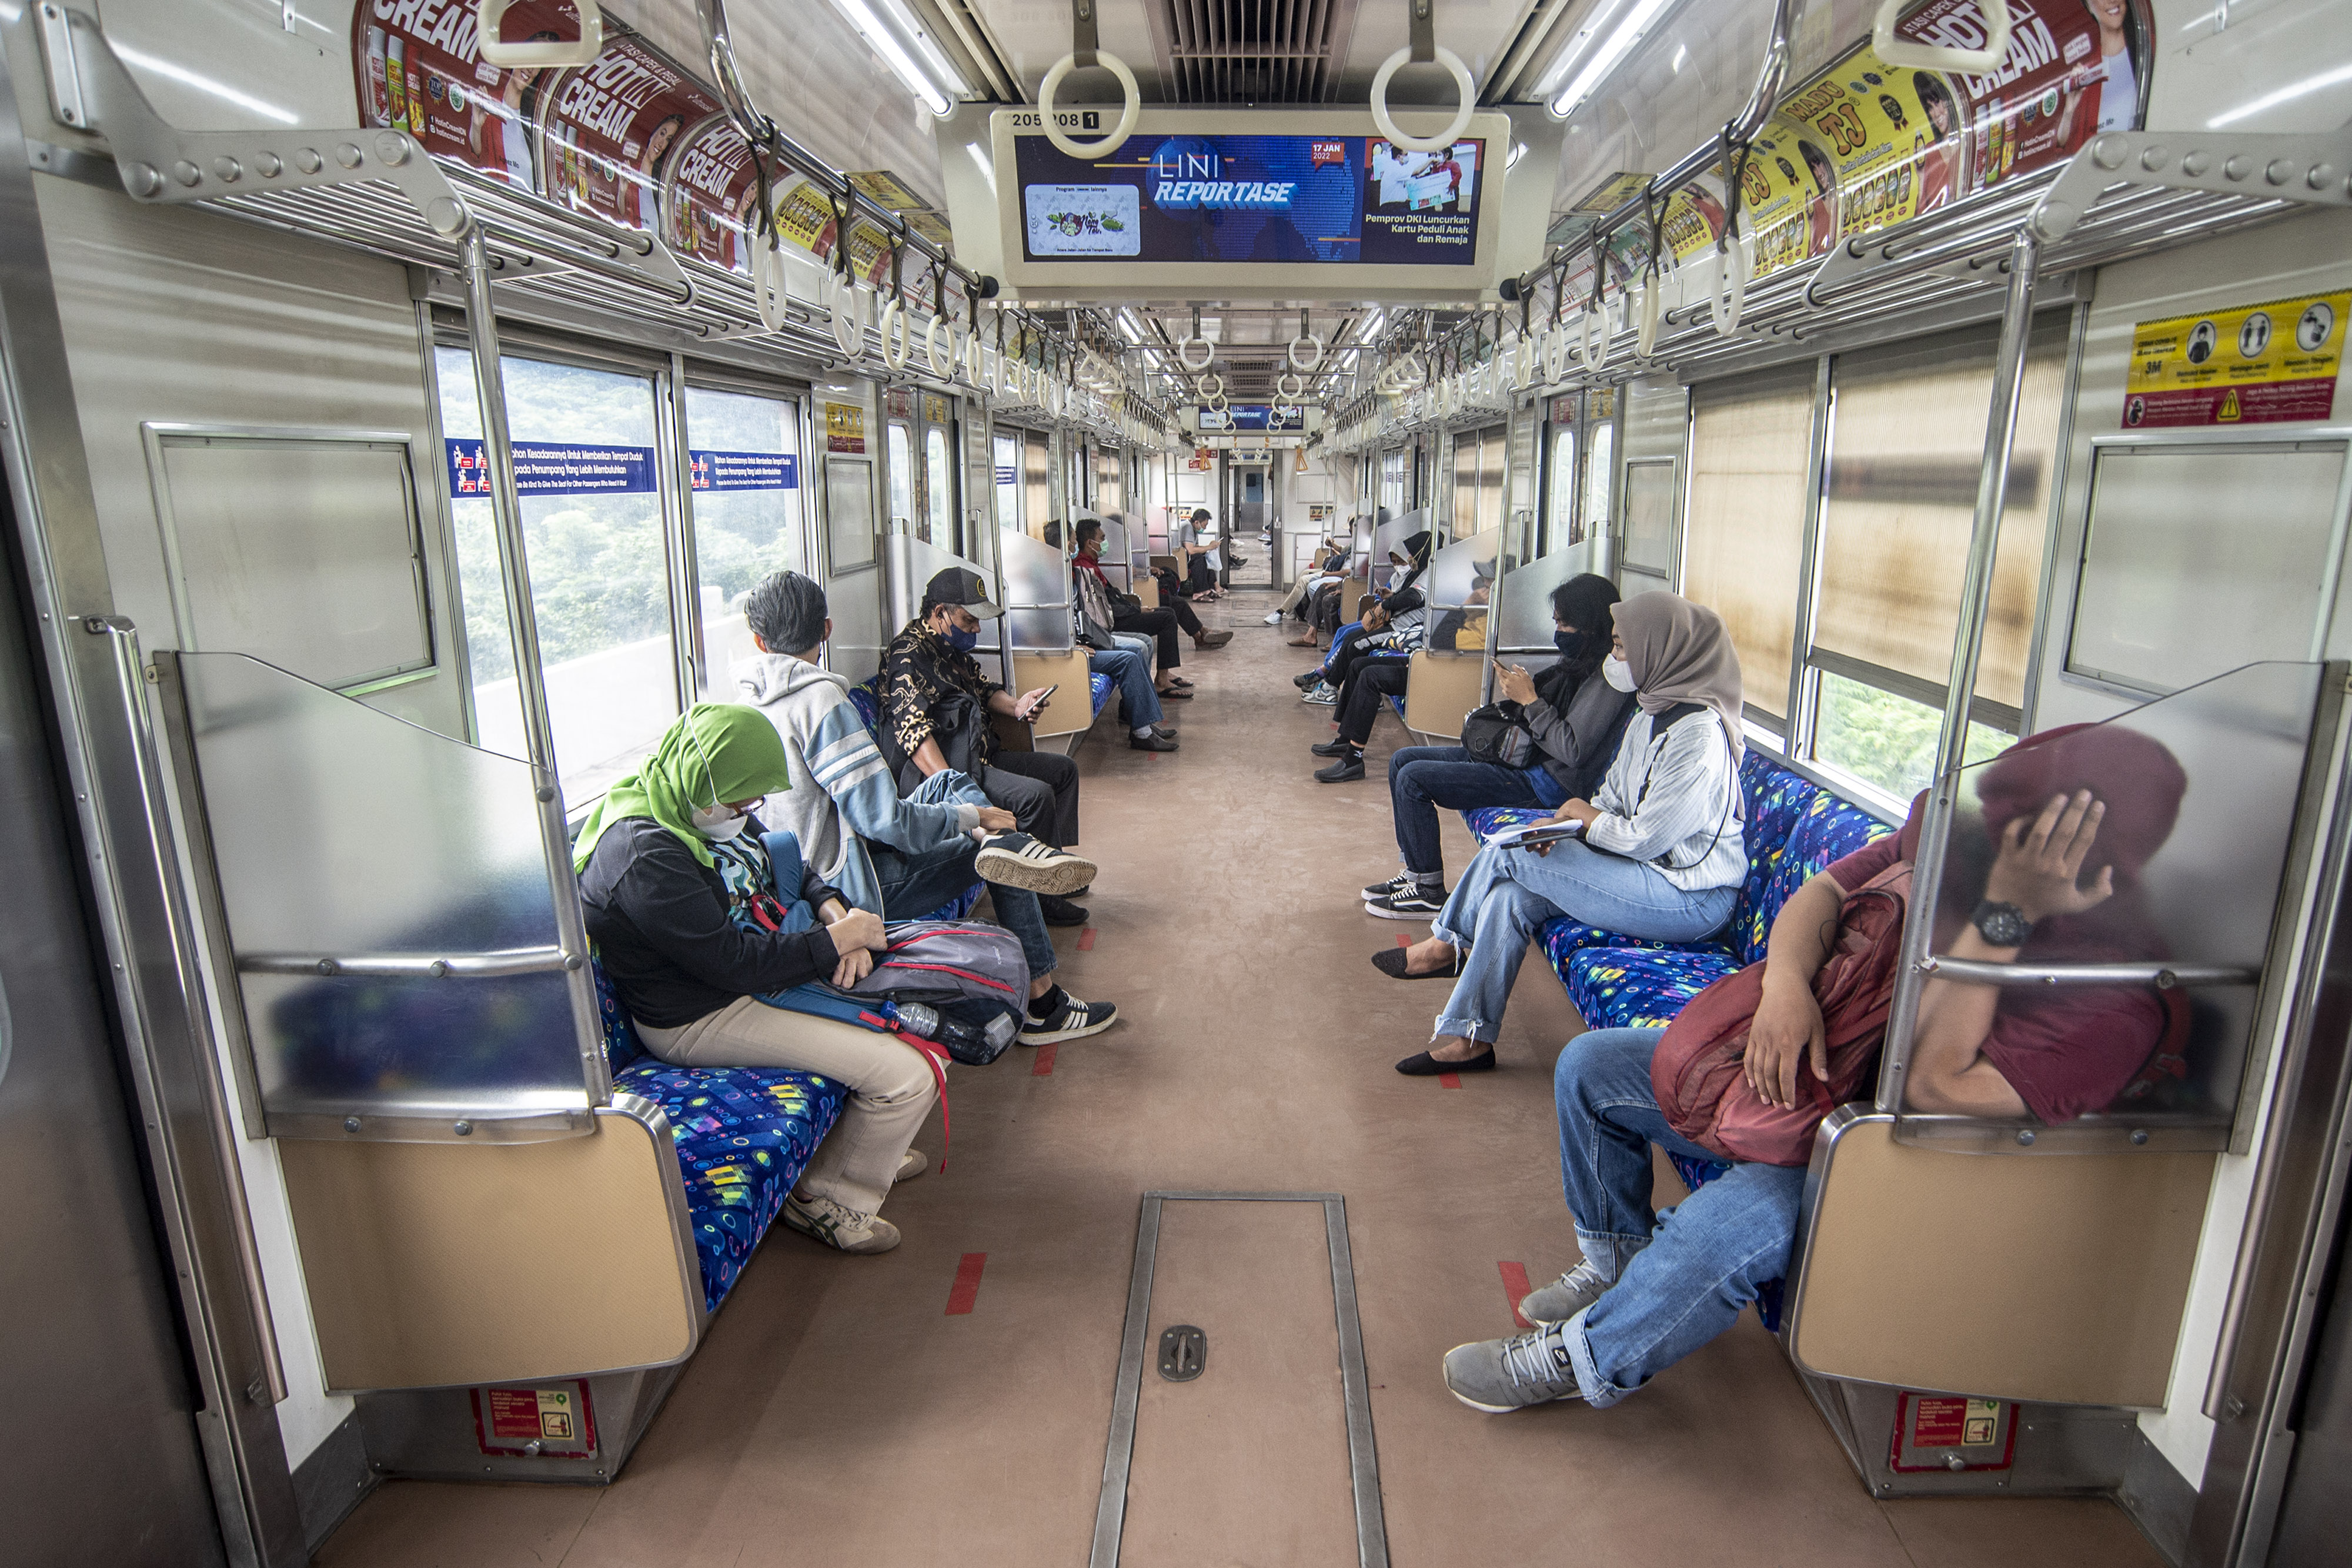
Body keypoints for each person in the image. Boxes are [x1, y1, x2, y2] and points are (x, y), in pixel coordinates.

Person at [1437, 722, 2188, 1413]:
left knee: (1718, 1231)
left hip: (1887, 1154)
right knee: (1594, 1069)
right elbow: (1822, 894)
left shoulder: (2111, 1007)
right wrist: (1787, 991)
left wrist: (2004, 915)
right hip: (1824, 1081)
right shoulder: (1954, 851)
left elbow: (1931, 1091)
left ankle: (1585, 1361)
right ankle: (1617, 1266)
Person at [575, 704, 930, 1255]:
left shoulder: (693, 803)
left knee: (919, 1022)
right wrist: (838, 941)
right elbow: (734, 962)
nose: (748, 812)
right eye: (742, 800)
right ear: (706, 778)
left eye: (754, 800)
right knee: (906, 1077)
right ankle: (829, 1202)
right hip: (700, 1013)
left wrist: (835, 909)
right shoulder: (647, 856)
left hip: (752, 972)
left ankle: (863, 1147)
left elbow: (786, 859)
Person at [732, 571, 1117, 1043]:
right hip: (849, 890)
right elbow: (887, 821)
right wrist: (974, 817)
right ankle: (1044, 1004)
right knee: (997, 857)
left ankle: (1007, 844)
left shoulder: (746, 706)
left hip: (811, 877)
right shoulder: (821, 701)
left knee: (954, 784)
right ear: (827, 630)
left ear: (757, 638)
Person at [1380, 592, 1748, 1075]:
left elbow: (1646, 838)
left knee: (1516, 857)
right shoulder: (1651, 716)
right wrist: (1567, 825)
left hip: (1689, 897)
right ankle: (1469, 1035)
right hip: (1645, 873)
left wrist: (1583, 818)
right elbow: (1613, 798)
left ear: (1661, 652)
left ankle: (1446, 940)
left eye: (1622, 648)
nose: (1614, 660)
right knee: (1511, 895)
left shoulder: (1698, 739)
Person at [1364, 574, 1637, 915]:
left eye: (1564, 624)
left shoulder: (1608, 682)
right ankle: (1415, 871)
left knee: (1414, 779)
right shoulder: (1576, 666)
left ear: (1590, 626)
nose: (1558, 632)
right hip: (1529, 762)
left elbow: (1573, 751)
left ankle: (1428, 889)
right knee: (1403, 760)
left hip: (1548, 783)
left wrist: (1531, 701)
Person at [881, 568, 1092, 927]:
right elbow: (914, 735)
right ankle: (1046, 901)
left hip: (980, 753)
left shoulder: (949, 649)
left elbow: (984, 688)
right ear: (939, 613)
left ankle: (1053, 866)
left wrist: (1017, 705)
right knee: (1035, 796)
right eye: (969, 620)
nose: (976, 630)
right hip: (952, 770)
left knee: (1063, 771)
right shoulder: (907, 656)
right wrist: (953, 787)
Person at [1297, 530, 1433, 703]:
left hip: (1402, 628)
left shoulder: (1427, 574)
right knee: (1349, 639)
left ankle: (1332, 688)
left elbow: (1413, 597)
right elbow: (1406, 597)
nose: (1407, 561)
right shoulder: (1413, 575)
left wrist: (1386, 604)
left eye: (1409, 557)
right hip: (1392, 622)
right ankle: (1328, 685)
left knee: (1356, 646)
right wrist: (1389, 598)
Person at [1174, 507, 1221, 599]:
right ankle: (1198, 592)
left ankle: (1209, 588)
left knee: (1205, 557)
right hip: (1179, 558)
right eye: (1204, 525)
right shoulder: (1187, 527)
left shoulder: (1194, 530)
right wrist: (1208, 547)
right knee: (1198, 558)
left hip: (1185, 556)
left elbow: (1196, 547)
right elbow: (1190, 550)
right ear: (1197, 523)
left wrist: (1209, 548)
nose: (1205, 528)